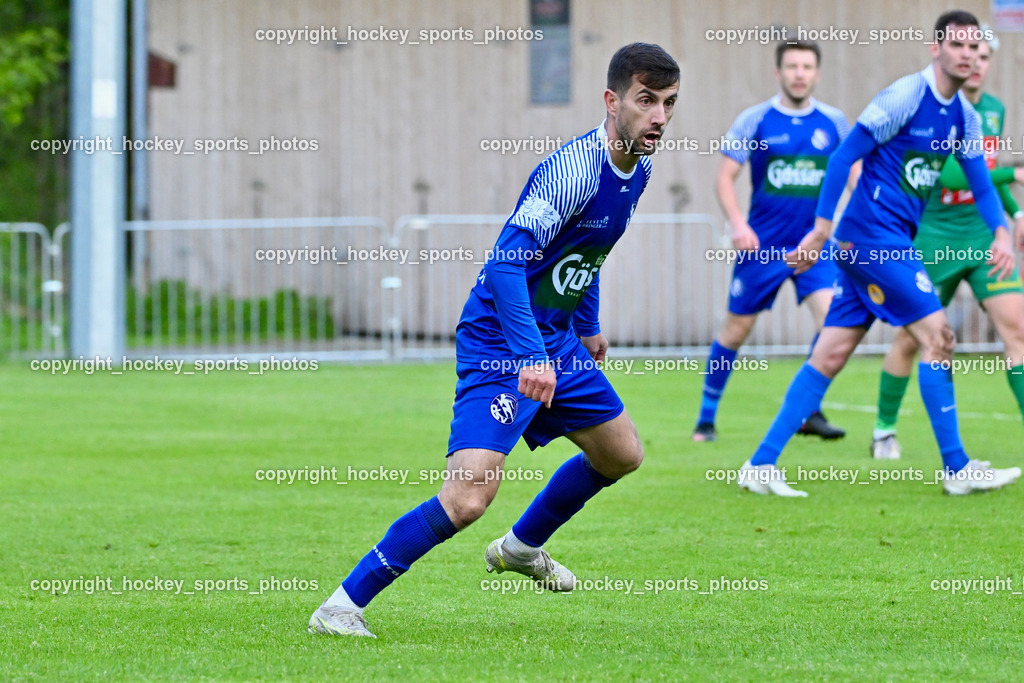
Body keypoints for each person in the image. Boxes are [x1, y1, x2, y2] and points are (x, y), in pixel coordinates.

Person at [309, 43, 680, 637]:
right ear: (612, 102)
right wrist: (532, 353)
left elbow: (587, 253)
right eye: (646, 102)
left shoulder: (639, 168)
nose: (659, 116)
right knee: (467, 499)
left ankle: (521, 547)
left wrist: (586, 325)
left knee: (621, 454)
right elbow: (508, 263)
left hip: (553, 336)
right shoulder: (575, 169)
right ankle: (340, 608)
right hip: (500, 340)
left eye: (668, 104)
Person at [735, 10, 1021, 497]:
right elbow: (844, 154)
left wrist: (1001, 231)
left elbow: (980, 182)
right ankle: (956, 467)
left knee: (831, 353)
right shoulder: (906, 95)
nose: (969, 56)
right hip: (871, 239)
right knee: (939, 336)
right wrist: (821, 230)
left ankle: (759, 465)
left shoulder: (965, 116)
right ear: (936, 48)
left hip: (882, 241)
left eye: (976, 49)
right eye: (958, 46)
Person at [871, 29, 1024, 459]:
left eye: (983, 54)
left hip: (981, 237)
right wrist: (1012, 174)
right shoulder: (938, 107)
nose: (975, 61)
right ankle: (884, 429)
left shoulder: (993, 110)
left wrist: (1014, 214)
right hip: (934, 238)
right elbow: (953, 175)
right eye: (967, 51)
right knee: (911, 337)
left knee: (1018, 329)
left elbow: (982, 176)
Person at [694, 38, 854, 443]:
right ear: (778, 73)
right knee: (735, 332)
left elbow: (855, 178)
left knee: (833, 322)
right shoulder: (756, 119)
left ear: (817, 73)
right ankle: (706, 419)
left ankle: (808, 410)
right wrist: (737, 224)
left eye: (806, 67)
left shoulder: (834, 122)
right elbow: (724, 177)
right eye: (792, 66)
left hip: (815, 249)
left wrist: (853, 226)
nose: (799, 73)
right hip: (762, 249)